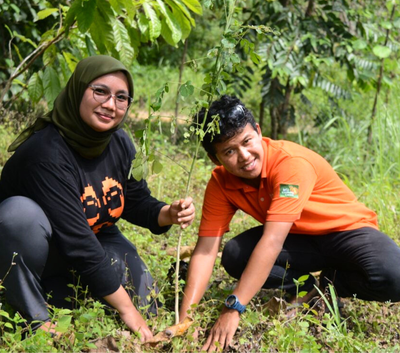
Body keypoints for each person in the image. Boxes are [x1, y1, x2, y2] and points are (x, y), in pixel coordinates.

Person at [179, 94, 400, 352]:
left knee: (395, 277)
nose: (244, 156)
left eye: (247, 141)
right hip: (297, 239)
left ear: (259, 132)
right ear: (215, 159)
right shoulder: (220, 183)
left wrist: (234, 306)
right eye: (229, 151)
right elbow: (206, 251)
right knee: (235, 255)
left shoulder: (290, 164)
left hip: (345, 231)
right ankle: (305, 286)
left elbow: (272, 241)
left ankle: (332, 284)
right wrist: (187, 317)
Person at [0, 55, 195, 342]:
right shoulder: (46, 154)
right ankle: (35, 317)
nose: (110, 105)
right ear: (79, 90)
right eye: (100, 91)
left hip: (89, 241)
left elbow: (134, 199)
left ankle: (61, 295)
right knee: (19, 215)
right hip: (37, 252)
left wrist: (167, 212)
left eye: (121, 97)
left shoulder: (119, 142)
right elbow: (78, 243)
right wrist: (127, 311)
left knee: (146, 303)